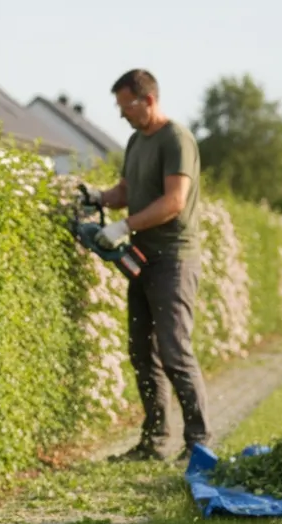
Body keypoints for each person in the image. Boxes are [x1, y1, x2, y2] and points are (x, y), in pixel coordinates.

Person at [84, 68, 209, 463]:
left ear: (148, 99)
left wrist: (124, 225)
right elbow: (127, 190)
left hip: (174, 258)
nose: (121, 114)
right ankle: (154, 442)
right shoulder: (136, 141)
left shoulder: (177, 139)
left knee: (174, 351)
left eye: (126, 105)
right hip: (142, 258)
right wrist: (99, 198)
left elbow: (174, 201)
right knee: (141, 351)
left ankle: (199, 445)